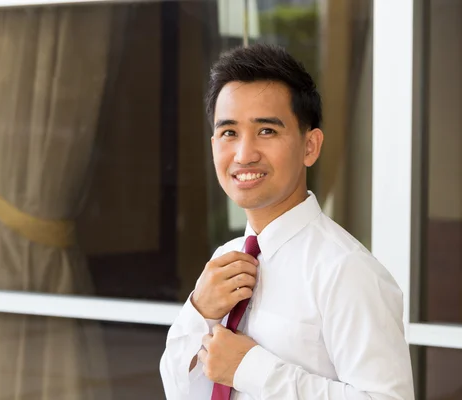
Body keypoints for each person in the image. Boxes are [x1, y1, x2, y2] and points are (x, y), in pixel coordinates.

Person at [159, 43, 414, 399]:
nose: (244, 154)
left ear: (310, 146)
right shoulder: (226, 258)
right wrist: (199, 311)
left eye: (266, 131)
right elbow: (178, 389)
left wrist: (251, 369)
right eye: (229, 133)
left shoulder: (346, 270)